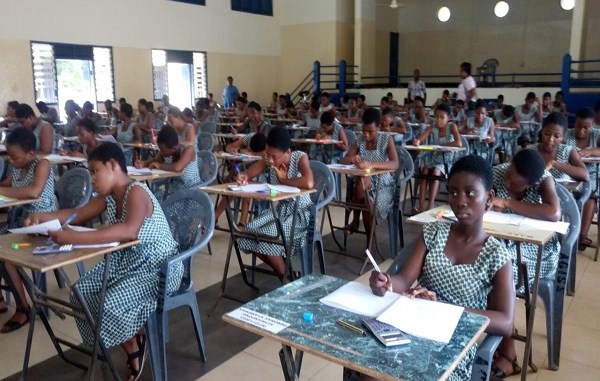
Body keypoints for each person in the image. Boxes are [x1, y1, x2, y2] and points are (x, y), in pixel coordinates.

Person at [24, 142, 181, 380]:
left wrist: (74, 237)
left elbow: (129, 230)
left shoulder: (136, 191)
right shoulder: (107, 197)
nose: (92, 179)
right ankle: (133, 342)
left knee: (108, 304)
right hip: (127, 263)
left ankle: (135, 344)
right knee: (81, 294)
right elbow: (76, 214)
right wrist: (41, 218)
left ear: (113, 165)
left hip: (158, 267)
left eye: (95, 171)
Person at [368, 155, 514, 381]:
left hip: (455, 344)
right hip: (414, 327)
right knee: (369, 367)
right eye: (453, 192)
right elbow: (403, 280)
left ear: (489, 199)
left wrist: (445, 309)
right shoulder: (434, 233)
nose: (460, 200)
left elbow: (505, 322)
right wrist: (386, 282)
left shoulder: (497, 255)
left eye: (470, 193)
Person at [490, 148, 561, 378]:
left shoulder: (544, 180)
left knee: (501, 273)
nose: (508, 182)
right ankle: (503, 331)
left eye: (515, 183)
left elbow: (553, 213)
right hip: (503, 241)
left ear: (531, 184)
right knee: (487, 266)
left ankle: (508, 354)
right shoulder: (498, 172)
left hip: (537, 248)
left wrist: (508, 202)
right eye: (509, 175)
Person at [235, 127, 314, 281]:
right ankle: (286, 273)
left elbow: (309, 182)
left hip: (299, 213)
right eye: (268, 154)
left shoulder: (299, 158)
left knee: (267, 237)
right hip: (279, 211)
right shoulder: (268, 158)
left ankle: (285, 279)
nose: (270, 160)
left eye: (275, 157)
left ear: (287, 153)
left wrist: (283, 180)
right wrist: (243, 176)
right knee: (247, 234)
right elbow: (249, 173)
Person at [0, 127, 57, 333]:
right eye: (10, 156)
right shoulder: (17, 166)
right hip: (21, 222)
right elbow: (8, 184)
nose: (11, 161)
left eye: (15, 157)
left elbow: (33, 192)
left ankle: (23, 308)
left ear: (31, 153)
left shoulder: (42, 164)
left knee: (5, 254)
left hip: (43, 224)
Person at [341, 108, 399, 241]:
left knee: (368, 199)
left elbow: (395, 164)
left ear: (378, 127)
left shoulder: (386, 139)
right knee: (364, 185)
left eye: (370, 131)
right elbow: (344, 159)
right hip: (363, 187)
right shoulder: (360, 139)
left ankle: (356, 222)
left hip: (383, 186)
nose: (366, 134)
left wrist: (372, 164)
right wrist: (353, 159)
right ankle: (370, 243)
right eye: (364, 130)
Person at [414, 103, 462, 212]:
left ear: (448, 118)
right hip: (435, 159)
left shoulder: (452, 126)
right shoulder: (433, 126)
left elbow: (458, 143)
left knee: (435, 171)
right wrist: (417, 141)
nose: (439, 120)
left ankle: (430, 206)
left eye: (442, 117)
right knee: (424, 169)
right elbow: (422, 137)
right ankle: (420, 207)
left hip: (448, 161)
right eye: (437, 117)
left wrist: (443, 145)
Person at [564, 107, 600, 249]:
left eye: (586, 127)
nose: (581, 130)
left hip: (590, 176)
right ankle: (564, 232)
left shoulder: (597, 135)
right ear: (575, 122)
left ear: (592, 126)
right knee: (564, 194)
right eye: (579, 125)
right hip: (569, 174)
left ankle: (582, 236)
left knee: (591, 197)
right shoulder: (567, 134)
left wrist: (589, 151)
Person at [215, 132, 267, 225]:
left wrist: (251, 154)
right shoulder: (248, 138)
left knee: (246, 183)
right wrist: (232, 150)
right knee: (238, 183)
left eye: (255, 152)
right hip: (247, 166)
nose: (252, 152)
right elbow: (229, 146)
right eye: (251, 149)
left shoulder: (269, 149)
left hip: (263, 169)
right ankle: (216, 216)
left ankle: (243, 221)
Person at [135, 126, 200, 199]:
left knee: (153, 203)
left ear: (173, 148)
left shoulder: (189, 149)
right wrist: (143, 163)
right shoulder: (168, 152)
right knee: (148, 200)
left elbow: (177, 168)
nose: (161, 152)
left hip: (190, 192)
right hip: (173, 190)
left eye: (162, 150)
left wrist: (160, 166)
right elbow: (155, 160)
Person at [528, 111, 588, 184]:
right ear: (542, 132)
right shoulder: (530, 151)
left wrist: (554, 164)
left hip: (560, 194)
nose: (550, 139)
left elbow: (585, 175)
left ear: (563, 137)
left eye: (556, 136)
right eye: (547, 134)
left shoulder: (567, 151)